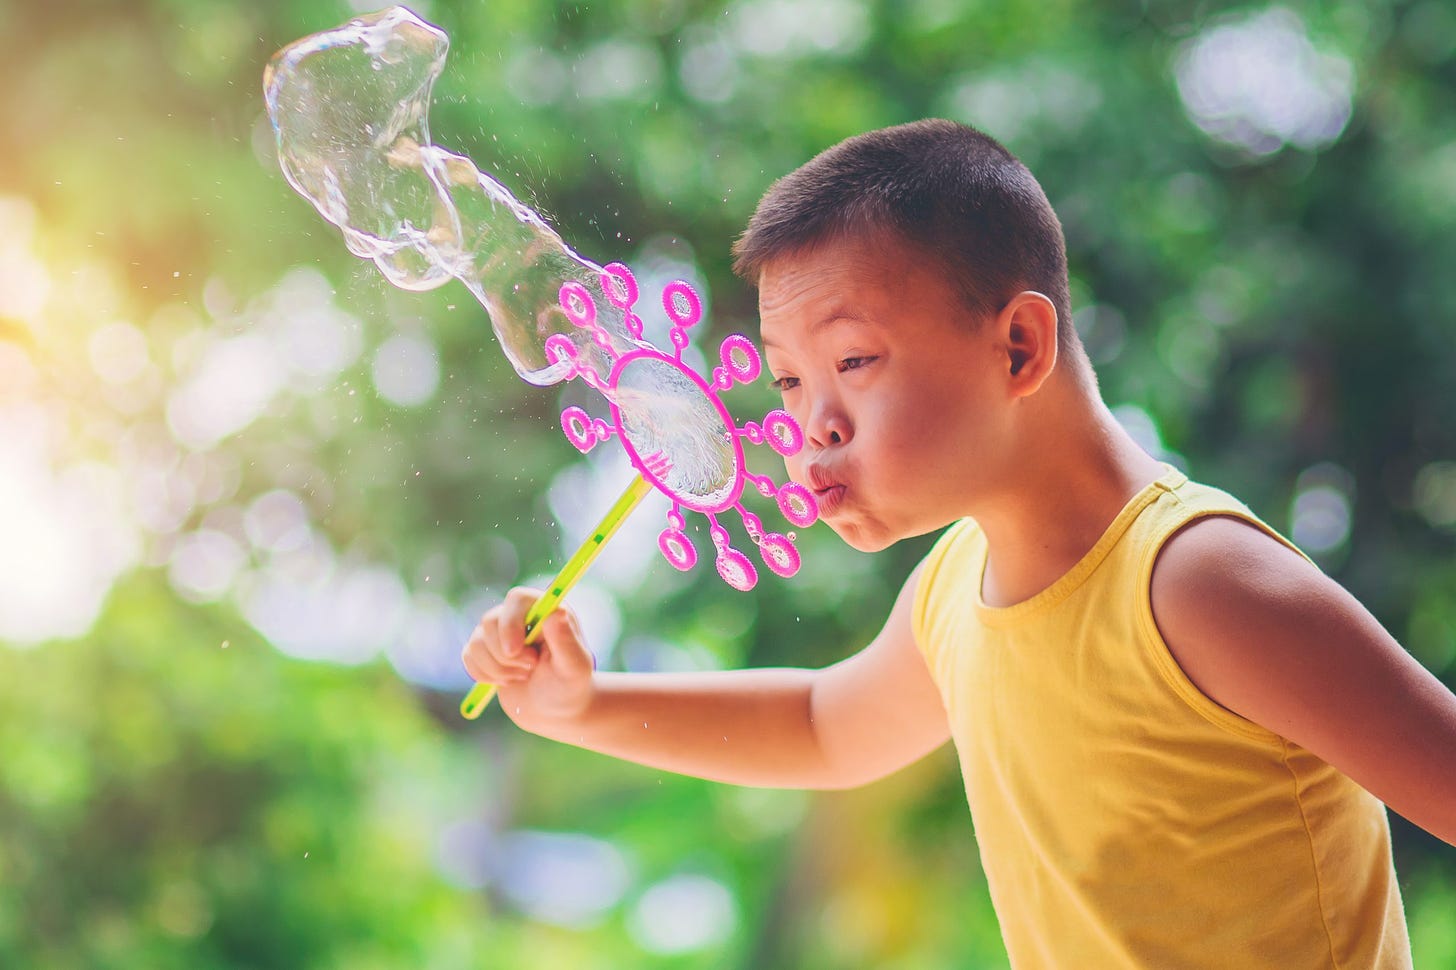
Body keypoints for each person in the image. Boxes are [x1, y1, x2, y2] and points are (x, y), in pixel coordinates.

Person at [461, 119, 1456, 967]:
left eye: (852, 360)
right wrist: (580, 705)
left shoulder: (1197, 582)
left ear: (1017, 345)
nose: (811, 425)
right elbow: (822, 724)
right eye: (791, 381)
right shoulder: (954, 593)